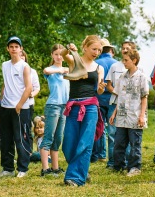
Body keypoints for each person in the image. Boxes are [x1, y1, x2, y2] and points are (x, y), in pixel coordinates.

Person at [61, 35, 106, 186]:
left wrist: (100, 88)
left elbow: (99, 91)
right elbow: (62, 55)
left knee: (85, 143)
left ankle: (75, 178)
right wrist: (69, 48)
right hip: (73, 106)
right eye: (94, 49)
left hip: (91, 106)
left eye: (99, 50)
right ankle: (82, 171)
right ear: (85, 47)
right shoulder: (74, 60)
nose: (97, 52)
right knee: (68, 144)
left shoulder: (99, 68)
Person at [109, 49, 149, 176]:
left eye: (126, 60)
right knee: (119, 143)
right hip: (121, 116)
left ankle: (135, 167)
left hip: (135, 117)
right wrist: (114, 113)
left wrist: (142, 116)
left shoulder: (142, 77)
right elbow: (120, 96)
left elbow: (144, 97)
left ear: (134, 60)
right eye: (123, 60)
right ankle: (119, 166)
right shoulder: (122, 77)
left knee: (134, 144)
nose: (123, 62)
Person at [0, 36, 32, 178]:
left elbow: (29, 87)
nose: (14, 49)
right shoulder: (4, 65)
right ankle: (8, 168)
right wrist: (0, 101)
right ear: (8, 49)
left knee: (21, 138)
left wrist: (19, 105)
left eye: (16, 47)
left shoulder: (24, 66)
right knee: (6, 139)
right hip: (5, 106)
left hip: (20, 108)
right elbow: (5, 84)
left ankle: (22, 168)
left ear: (21, 49)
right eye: (11, 46)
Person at [40, 44, 69, 177]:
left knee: (58, 138)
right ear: (52, 55)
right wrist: (59, 71)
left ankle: (55, 167)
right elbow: (46, 71)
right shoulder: (50, 70)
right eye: (56, 54)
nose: (58, 57)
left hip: (65, 106)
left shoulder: (68, 70)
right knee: (48, 137)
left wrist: (65, 70)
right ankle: (45, 169)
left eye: (61, 54)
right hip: (53, 106)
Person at [91, 38, 120, 166]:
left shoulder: (95, 63)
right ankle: (112, 159)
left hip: (99, 98)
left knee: (99, 127)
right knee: (113, 129)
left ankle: (99, 154)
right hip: (113, 99)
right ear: (111, 49)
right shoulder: (117, 64)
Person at [20, 50, 40, 151]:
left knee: (26, 127)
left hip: (28, 104)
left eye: (22, 56)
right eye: (19, 56)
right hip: (14, 104)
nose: (21, 57)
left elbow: (37, 88)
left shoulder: (32, 71)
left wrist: (31, 94)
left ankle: (29, 151)